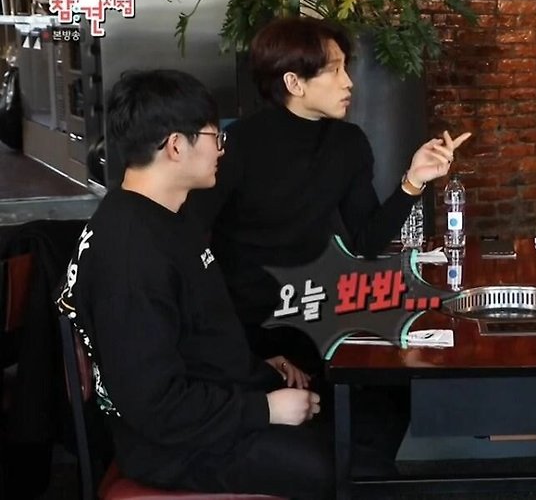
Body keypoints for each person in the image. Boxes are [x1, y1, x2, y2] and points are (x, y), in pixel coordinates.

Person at [56, 69, 334, 499]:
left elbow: (195, 336)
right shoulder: (130, 254)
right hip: (176, 448)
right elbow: (155, 404)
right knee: (335, 464)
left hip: (212, 409)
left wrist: (260, 369)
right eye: (214, 136)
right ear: (175, 146)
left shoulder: (166, 215)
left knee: (350, 414)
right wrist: (264, 408)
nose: (222, 148)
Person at [183, 16, 470, 370]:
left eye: (345, 68)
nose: (348, 82)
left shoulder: (347, 143)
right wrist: (242, 351)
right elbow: (190, 247)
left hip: (316, 319)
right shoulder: (237, 146)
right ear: (294, 82)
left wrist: (413, 181)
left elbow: (366, 243)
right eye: (334, 70)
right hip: (247, 331)